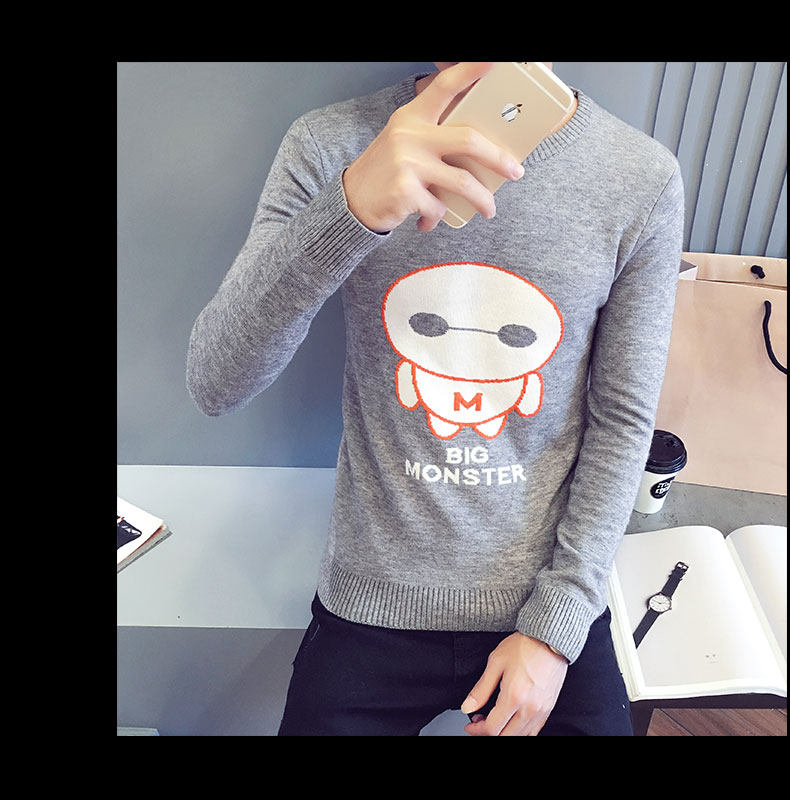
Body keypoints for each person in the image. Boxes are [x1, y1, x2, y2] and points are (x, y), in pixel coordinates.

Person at [186, 62, 684, 736]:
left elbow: (622, 420)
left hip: (549, 601)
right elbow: (216, 381)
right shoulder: (333, 143)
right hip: (371, 602)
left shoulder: (639, 176)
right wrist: (352, 209)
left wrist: (556, 626)